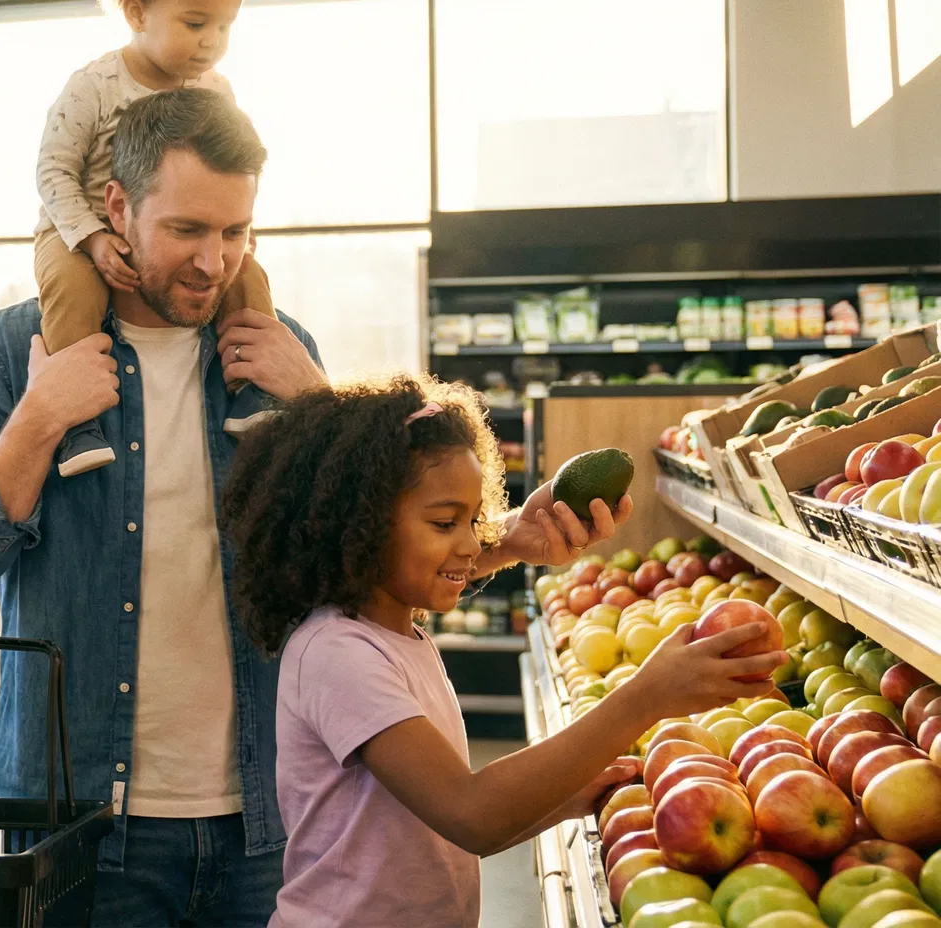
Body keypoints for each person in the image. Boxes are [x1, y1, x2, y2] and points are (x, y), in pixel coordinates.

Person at [0, 86, 320, 925]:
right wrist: (36, 421)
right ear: (116, 208)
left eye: (235, 232)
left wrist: (319, 404)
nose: (214, 262)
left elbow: (350, 568)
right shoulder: (7, 352)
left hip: (266, 821)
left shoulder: (281, 354)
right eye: (186, 230)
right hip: (76, 829)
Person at [223, 376, 788, 928]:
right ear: (358, 523)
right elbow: (472, 814)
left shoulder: (397, 634)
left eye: (473, 518)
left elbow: (438, 831)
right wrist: (646, 698)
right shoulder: (338, 654)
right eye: (446, 522)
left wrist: (562, 801)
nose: (472, 543)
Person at [33, 0, 277, 477]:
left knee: (250, 278)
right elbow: (53, 170)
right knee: (74, 294)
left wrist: (232, 242)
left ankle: (254, 392)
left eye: (224, 25)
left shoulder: (216, 92)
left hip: (150, 242)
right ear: (137, 12)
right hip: (79, 232)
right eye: (195, 23)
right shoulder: (94, 86)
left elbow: (233, 176)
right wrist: (92, 238)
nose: (211, 41)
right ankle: (76, 422)